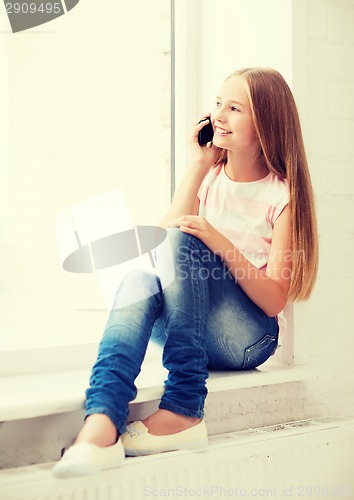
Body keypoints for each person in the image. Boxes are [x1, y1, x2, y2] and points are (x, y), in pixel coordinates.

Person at [52, 67, 319, 478]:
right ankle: (102, 418)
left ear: (266, 122)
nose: (219, 115)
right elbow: (161, 249)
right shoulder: (209, 176)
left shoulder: (281, 194)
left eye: (234, 108)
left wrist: (218, 240)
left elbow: (274, 299)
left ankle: (184, 406)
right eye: (217, 104)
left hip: (249, 337)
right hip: (191, 329)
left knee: (186, 237)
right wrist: (197, 165)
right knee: (139, 277)